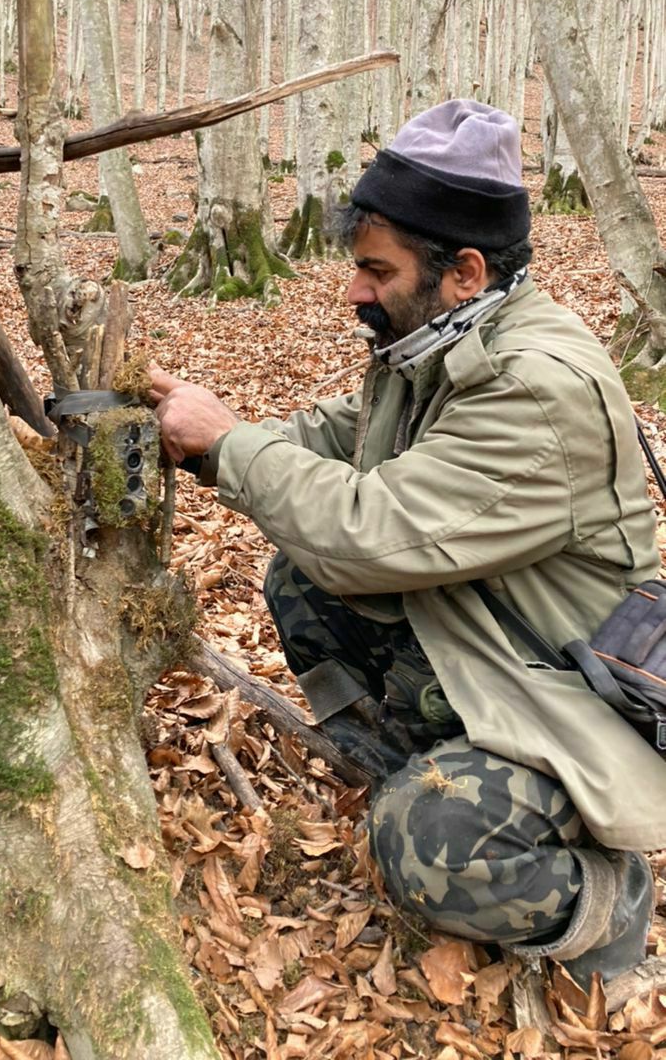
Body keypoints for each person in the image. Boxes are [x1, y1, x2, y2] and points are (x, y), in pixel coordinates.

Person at [150, 99, 666, 990]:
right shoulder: (454, 337)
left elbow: (368, 535)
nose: (355, 292)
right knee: (302, 581)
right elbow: (349, 436)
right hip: (490, 642)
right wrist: (201, 442)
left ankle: (606, 899)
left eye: (373, 271)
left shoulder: (535, 388)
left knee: (423, 838)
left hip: (575, 692)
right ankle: (416, 764)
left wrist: (233, 442)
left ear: (463, 269)